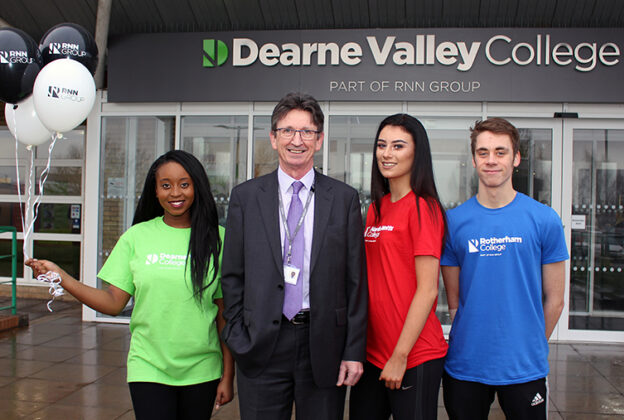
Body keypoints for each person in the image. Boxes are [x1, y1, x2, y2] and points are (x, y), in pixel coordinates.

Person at [26, 150, 234, 420]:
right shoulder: (136, 237)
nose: (175, 193)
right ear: (155, 190)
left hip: (203, 369)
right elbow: (113, 303)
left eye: (184, 184)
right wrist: (63, 277)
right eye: (166, 185)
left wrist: (228, 375)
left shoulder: (218, 239)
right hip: (148, 366)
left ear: (197, 186)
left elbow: (224, 316)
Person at [220, 92, 368, 420]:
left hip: (324, 345)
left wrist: (353, 351)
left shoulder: (343, 199)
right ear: (273, 138)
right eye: (287, 131)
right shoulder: (246, 197)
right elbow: (231, 275)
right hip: (260, 346)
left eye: (307, 132)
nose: (297, 140)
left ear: (319, 140)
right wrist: (238, 336)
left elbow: (356, 282)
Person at [440, 118, 568, 420]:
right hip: (466, 364)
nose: (491, 160)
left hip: (524, 366)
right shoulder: (454, 222)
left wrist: (529, 342)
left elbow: (556, 299)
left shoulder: (544, 219)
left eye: (500, 152)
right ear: (473, 159)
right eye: (483, 152)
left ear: (516, 158)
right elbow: (455, 303)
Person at [349, 114, 448, 420]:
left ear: (417, 154)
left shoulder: (423, 208)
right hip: (373, 353)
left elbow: (428, 289)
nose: (387, 153)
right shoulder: (376, 209)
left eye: (398, 146)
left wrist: (400, 356)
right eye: (381, 145)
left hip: (412, 354)